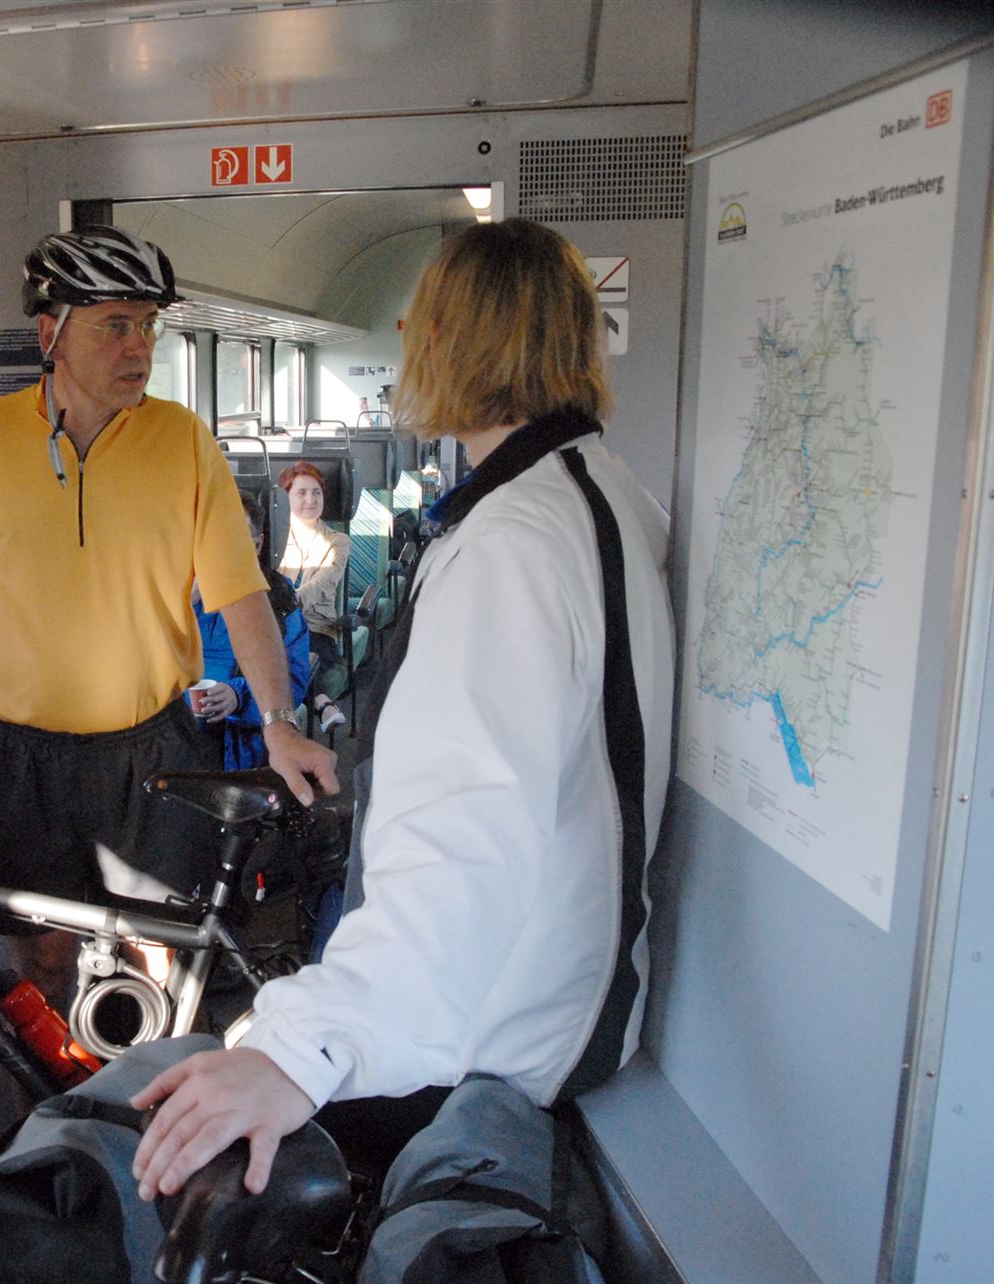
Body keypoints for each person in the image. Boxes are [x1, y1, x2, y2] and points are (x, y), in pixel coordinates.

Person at [129, 217, 675, 1202]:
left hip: (495, 1033)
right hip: (557, 985)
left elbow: (465, 836)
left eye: (422, 318)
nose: (407, 333)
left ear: (460, 342)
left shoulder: (509, 548)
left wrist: (298, 1053)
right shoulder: (600, 492)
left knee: (172, 1137)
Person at [0, 226, 339, 1007]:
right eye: (115, 325)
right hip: (22, 758)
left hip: (149, 750)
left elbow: (239, 593)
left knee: (155, 966)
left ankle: (142, 1088)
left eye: (148, 325)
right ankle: (55, 1087)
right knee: (41, 957)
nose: (138, 346)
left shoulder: (182, 441)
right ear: (50, 334)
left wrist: (280, 723)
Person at [192, 498, 311, 771]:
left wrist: (238, 697)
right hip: (173, 736)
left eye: (236, 538)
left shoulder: (278, 601)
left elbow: (293, 681)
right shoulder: (172, 593)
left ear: (257, 546)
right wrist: (181, 606)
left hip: (238, 745)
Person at [276, 461, 350, 731]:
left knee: (295, 654)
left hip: (316, 629)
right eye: (302, 493)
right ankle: (321, 702)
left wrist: (289, 604)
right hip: (277, 624)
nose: (311, 500)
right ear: (285, 499)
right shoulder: (273, 537)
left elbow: (324, 581)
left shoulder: (337, 541)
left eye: (316, 492)